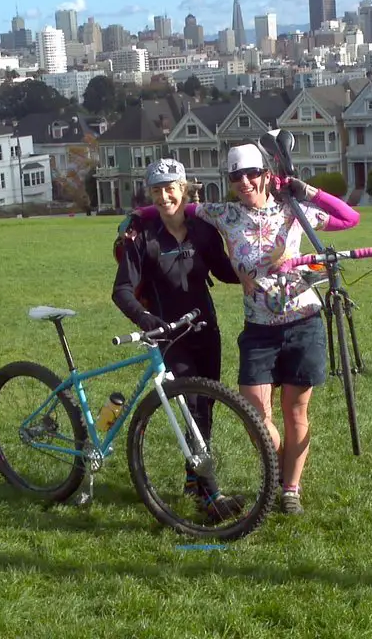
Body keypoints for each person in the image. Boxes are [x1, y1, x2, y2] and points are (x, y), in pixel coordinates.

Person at [132, 143, 361, 515]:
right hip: (258, 329)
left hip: (303, 322)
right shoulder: (225, 214)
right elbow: (173, 206)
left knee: (296, 412)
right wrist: (135, 219)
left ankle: (289, 489)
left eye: (251, 173)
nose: (244, 181)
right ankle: (281, 469)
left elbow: (350, 219)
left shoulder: (295, 210)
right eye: (236, 176)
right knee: (256, 413)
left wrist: (309, 191)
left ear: (267, 175)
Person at [113, 158, 244, 520]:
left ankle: (192, 480)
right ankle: (208, 493)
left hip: (205, 329)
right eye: (157, 189)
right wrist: (145, 319)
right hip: (169, 335)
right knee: (194, 408)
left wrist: (257, 272)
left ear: (184, 189)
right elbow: (121, 289)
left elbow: (222, 270)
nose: (165, 195)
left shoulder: (202, 231)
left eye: (171, 187)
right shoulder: (144, 239)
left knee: (207, 407)